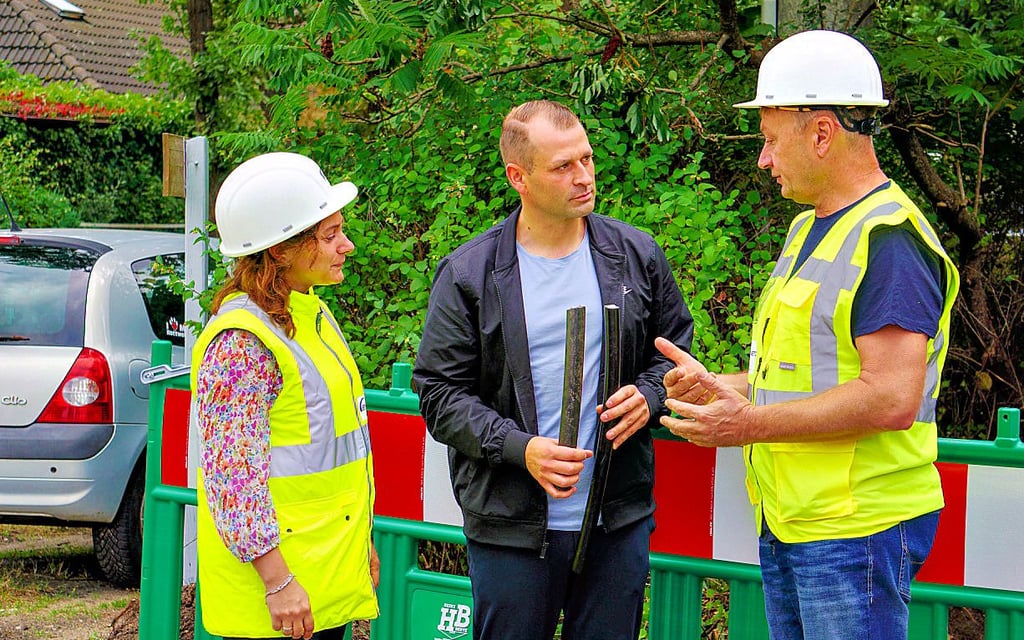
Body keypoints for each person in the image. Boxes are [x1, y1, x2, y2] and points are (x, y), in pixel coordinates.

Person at [656, 30, 960, 640]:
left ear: (820, 133)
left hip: (855, 528)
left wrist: (748, 425)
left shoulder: (889, 241)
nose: (763, 159)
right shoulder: (808, 228)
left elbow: (892, 397)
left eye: (770, 141)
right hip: (799, 523)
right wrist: (725, 386)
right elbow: (807, 367)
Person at [413, 99, 694, 640]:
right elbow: (441, 395)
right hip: (511, 527)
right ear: (518, 177)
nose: (584, 177)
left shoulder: (636, 255)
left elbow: (673, 350)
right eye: (563, 166)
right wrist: (522, 450)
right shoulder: (471, 274)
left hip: (616, 521)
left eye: (586, 159)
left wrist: (650, 395)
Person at [192, 152, 379, 640]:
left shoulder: (306, 315)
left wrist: (361, 543)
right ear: (280, 249)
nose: (348, 245)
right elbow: (233, 479)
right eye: (330, 234)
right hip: (277, 602)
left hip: (316, 584)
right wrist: (278, 583)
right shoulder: (243, 343)